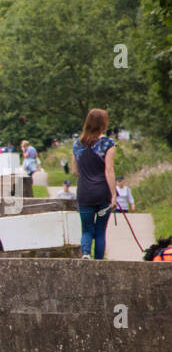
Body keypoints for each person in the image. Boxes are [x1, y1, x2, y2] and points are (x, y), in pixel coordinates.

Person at [72, 108, 117, 259]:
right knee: (100, 230)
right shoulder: (108, 143)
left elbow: (74, 171)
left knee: (86, 229)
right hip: (102, 193)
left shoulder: (77, 144)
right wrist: (114, 195)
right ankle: (98, 262)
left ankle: (85, 253)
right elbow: (109, 170)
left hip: (84, 192)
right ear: (104, 123)